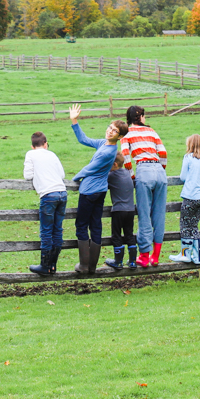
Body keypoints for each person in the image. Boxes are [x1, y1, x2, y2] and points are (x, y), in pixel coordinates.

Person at [69, 104, 128, 274]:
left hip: (89, 192)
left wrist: (74, 178)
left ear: (120, 136)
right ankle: (92, 267)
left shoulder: (108, 152)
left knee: (81, 225)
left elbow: (90, 168)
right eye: (110, 127)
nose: (110, 131)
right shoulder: (104, 144)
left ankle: (84, 265)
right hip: (100, 190)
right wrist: (74, 121)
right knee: (95, 225)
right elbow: (84, 140)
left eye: (114, 131)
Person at [121, 105, 168, 267]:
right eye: (144, 116)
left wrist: (132, 175)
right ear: (139, 117)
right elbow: (163, 153)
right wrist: (160, 169)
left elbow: (125, 156)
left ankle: (145, 255)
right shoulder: (152, 131)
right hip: (159, 171)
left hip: (143, 170)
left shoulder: (127, 133)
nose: (145, 119)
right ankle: (156, 256)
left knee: (144, 214)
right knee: (159, 213)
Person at [24, 131, 67, 275]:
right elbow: (62, 175)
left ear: (32, 145)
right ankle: (53, 264)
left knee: (46, 231)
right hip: (62, 193)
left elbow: (27, 175)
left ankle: (44, 265)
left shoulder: (31, 154)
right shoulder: (52, 154)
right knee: (57, 230)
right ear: (45, 144)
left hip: (48, 195)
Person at [171, 134, 200, 264]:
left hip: (191, 196)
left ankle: (185, 254)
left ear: (191, 145)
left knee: (185, 225)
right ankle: (196, 256)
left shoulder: (188, 158)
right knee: (194, 226)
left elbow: (183, 177)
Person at [103, 150, 137, 270]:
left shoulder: (111, 176)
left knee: (116, 235)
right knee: (129, 234)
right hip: (130, 210)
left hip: (118, 210)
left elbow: (102, 181)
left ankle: (118, 261)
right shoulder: (127, 173)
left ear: (115, 165)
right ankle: (132, 261)